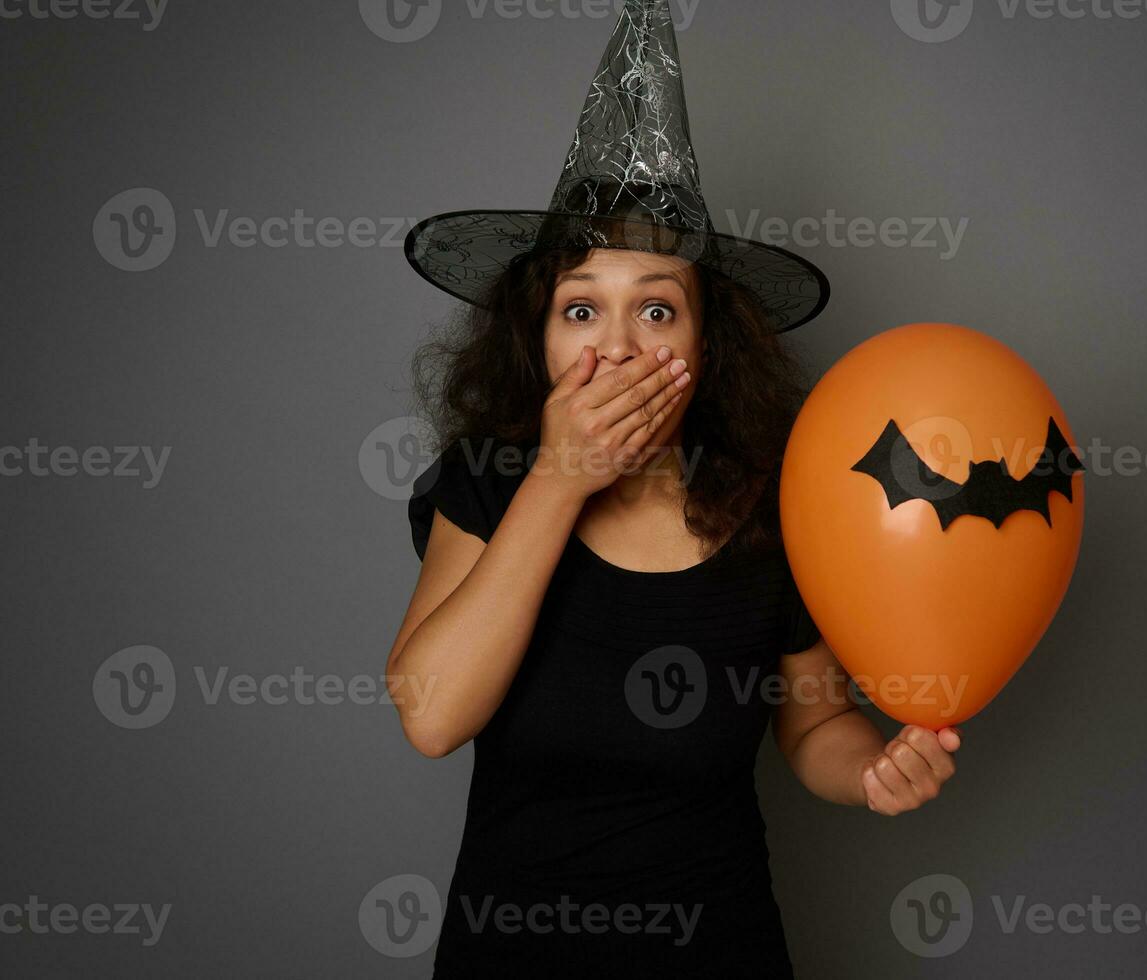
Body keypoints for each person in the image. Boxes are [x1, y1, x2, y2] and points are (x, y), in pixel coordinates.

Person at [386, 3, 960, 975]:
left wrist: (870, 768)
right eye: (580, 308)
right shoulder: (487, 484)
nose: (615, 345)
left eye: (656, 306)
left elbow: (814, 720)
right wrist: (558, 482)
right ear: (541, 339)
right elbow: (432, 712)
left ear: (706, 345)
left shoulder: (773, 513)